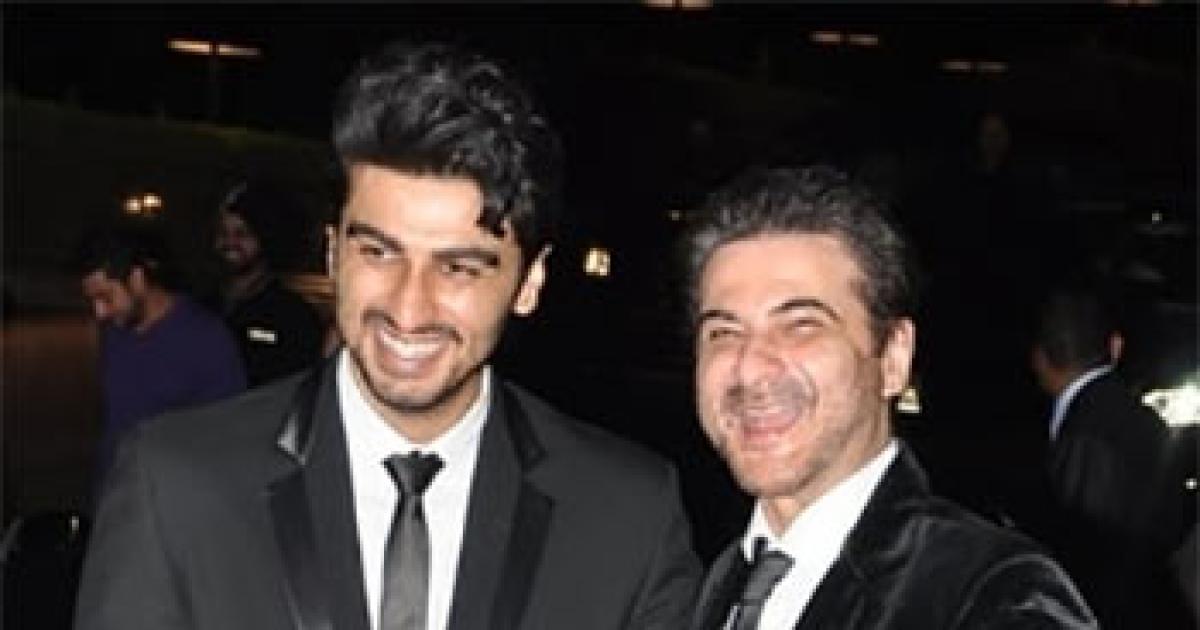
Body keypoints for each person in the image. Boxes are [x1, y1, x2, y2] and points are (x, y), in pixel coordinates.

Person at [74, 41, 700, 630]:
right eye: (379, 252)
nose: (408, 306)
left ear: (529, 283)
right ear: (334, 253)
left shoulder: (628, 517)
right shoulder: (174, 485)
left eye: (458, 268)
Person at [682, 165, 1096, 629]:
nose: (750, 367)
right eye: (723, 332)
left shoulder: (990, 595)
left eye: (801, 326)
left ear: (894, 358)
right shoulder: (730, 578)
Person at [1030, 288, 1172, 628]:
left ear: (1038, 357)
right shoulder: (1145, 419)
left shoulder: (1085, 435)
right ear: (1115, 347)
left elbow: (1085, 554)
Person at [74, 219, 246, 486]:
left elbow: (229, 438)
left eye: (105, 297)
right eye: (92, 300)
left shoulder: (207, 341)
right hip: (117, 492)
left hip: (173, 495)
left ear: (137, 279)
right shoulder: (115, 330)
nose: (99, 312)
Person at [214, 178, 324, 387]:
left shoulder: (292, 316)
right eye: (223, 233)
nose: (229, 243)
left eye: (241, 234)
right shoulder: (204, 305)